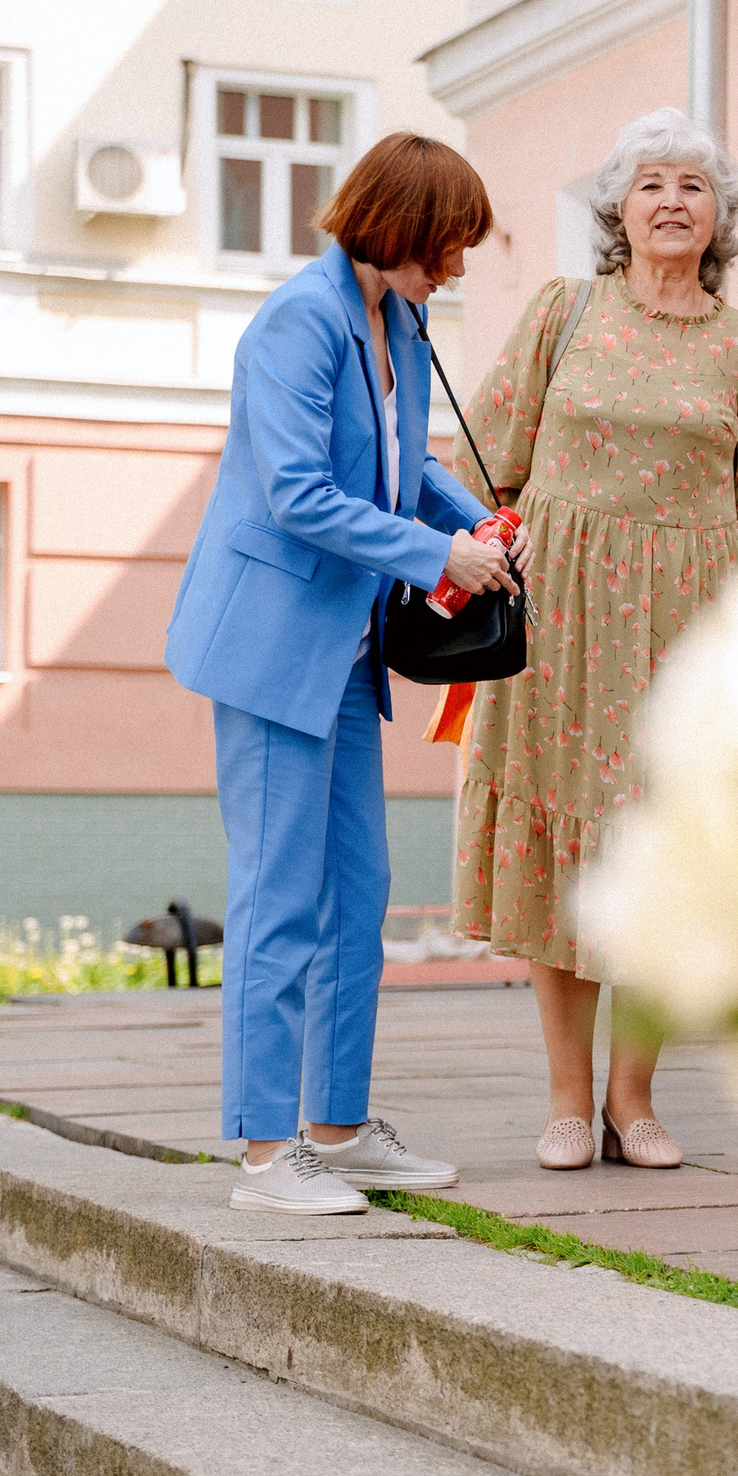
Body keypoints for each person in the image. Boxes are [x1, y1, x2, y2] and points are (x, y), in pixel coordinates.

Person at [165, 134, 514, 1214]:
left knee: (356, 894)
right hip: (273, 649)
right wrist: (439, 555)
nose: (454, 271)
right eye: (447, 248)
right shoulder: (298, 321)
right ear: (400, 227)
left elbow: (405, 463)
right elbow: (297, 494)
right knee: (278, 898)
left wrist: (488, 526)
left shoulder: (396, 320)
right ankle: (268, 1155)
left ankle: (337, 1125)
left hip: (344, 653)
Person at [454, 106, 738, 1173]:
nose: (672, 201)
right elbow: (488, 447)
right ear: (618, 207)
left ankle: (633, 1097)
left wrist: (670, 559)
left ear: (720, 216)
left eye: (693, 185)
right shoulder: (566, 310)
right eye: (651, 183)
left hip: (684, 613)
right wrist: (543, 551)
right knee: (566, 846)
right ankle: (565, 1099)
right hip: (558, 609)